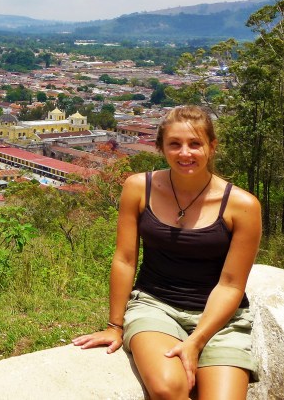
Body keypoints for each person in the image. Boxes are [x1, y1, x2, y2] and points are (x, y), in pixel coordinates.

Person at [72, 105, 262, 400]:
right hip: (154, 304)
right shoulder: (139, 188)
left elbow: (231, 284)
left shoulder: (242, 205)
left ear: (212, 147)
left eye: (195, 143)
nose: (185, 153)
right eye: (175, 144)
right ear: (160, 147)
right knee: (167, 387)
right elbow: (125, 259)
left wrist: (197, 341)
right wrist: (115, 325)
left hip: (220, 319)